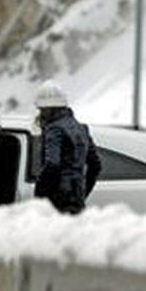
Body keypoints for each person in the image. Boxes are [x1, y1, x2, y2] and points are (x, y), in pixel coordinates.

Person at [33, 80, 101, 214]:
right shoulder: (81, 128)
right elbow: (96, 165)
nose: (40, 114)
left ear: (48, 109)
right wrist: (82, 191)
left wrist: (40, 195)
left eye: (41, 110)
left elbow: (52, 164)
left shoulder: (54, 129)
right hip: (77, 199)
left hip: (57, 201)